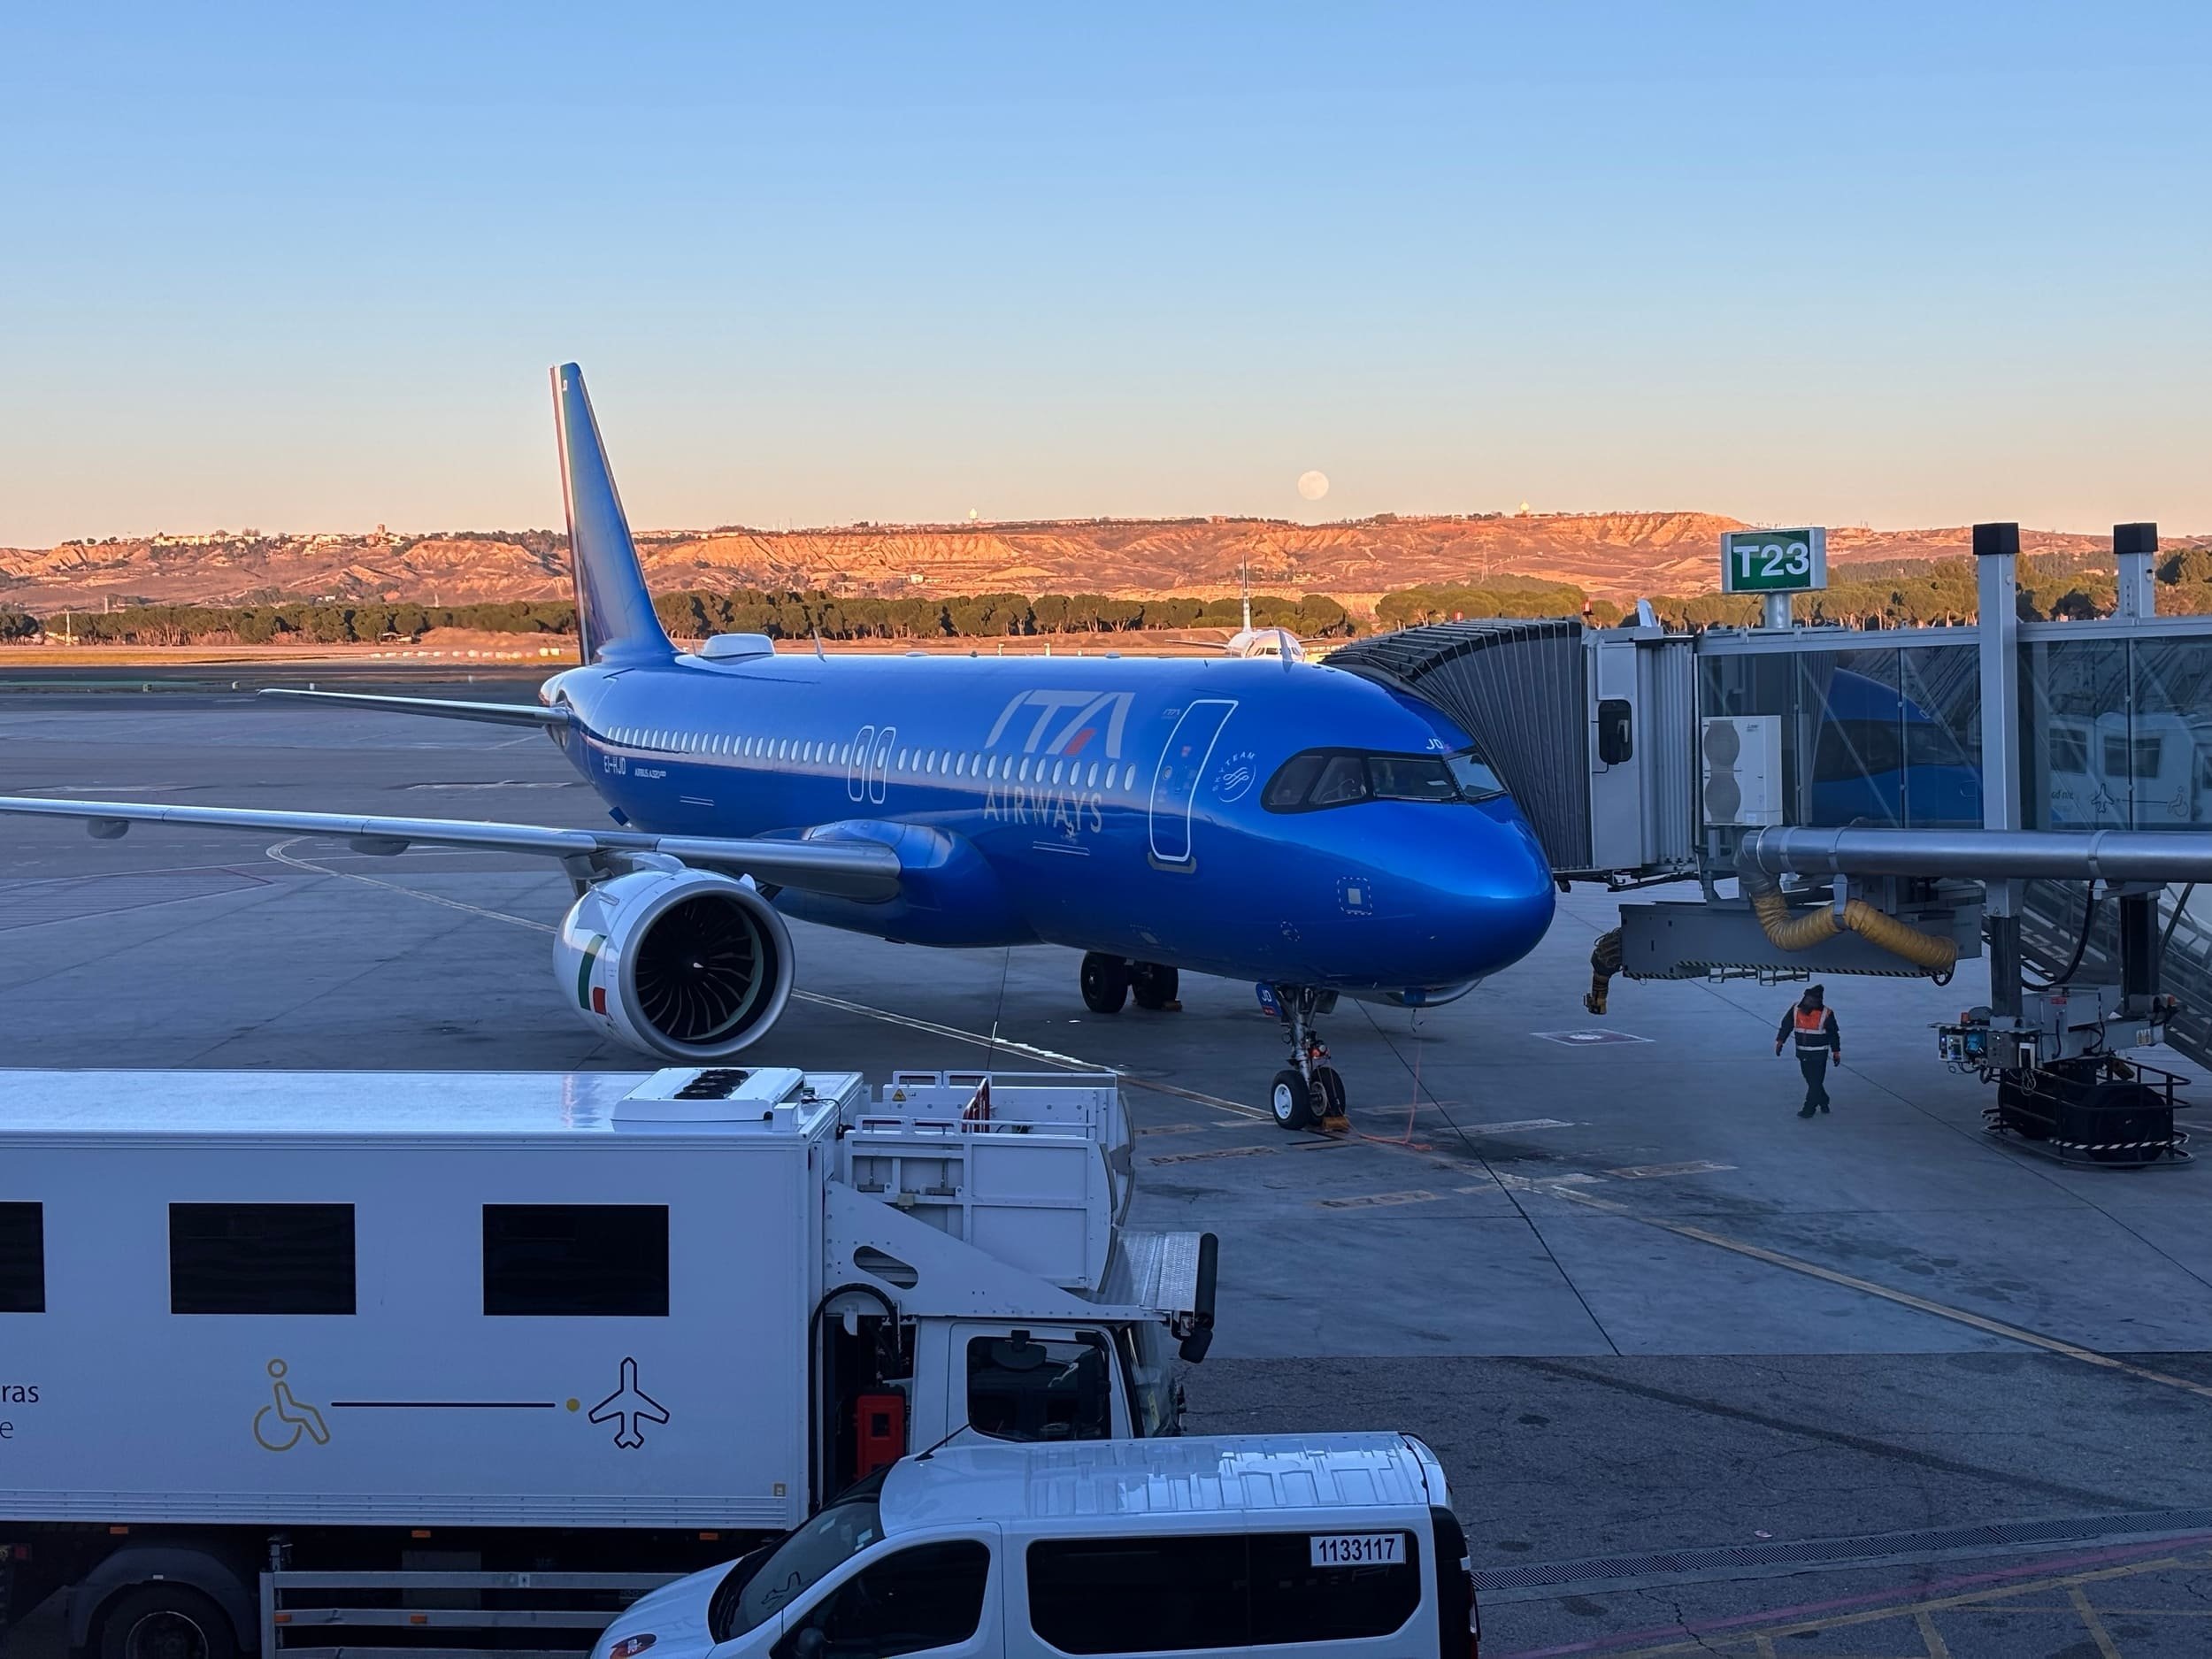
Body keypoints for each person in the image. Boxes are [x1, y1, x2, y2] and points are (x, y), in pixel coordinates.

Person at [1775, 985, 1841, 1118]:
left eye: (1813, 1001)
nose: (1809, 1003)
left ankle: (1808, 1109)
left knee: (1815, 1082)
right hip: (1803, 1053)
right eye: (1808, 1000)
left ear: (1819, 1001)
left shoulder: (1826, 1013)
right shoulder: (1795, 1009)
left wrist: (1836, 1051)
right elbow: (1786, 1025)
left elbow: (1833, 1034)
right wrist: (1780, 1041)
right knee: (1811, 1081)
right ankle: (1823, 1100)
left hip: (1819, 1055)